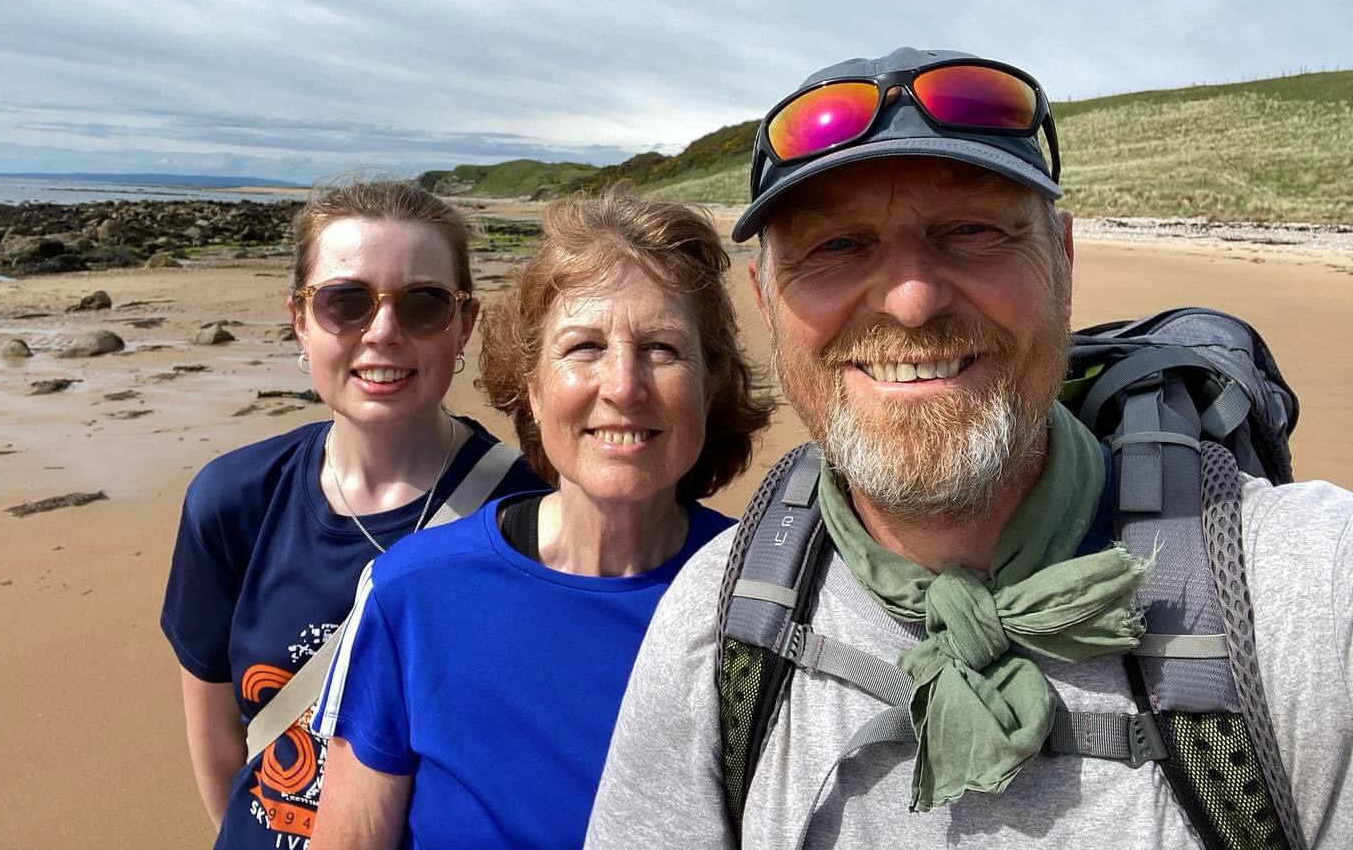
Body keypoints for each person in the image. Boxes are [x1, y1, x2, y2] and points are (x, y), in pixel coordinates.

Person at [586, 47, 1353, 848]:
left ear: (1061, 261)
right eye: (837, 245)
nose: (912, 301)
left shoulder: (1310, 596)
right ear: (765, 300)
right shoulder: (717, 630)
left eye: (971, 230)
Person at [306, 187, 774, 848]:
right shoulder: (411, 593)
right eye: (584, 347)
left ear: (710, 383)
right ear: (532, 387)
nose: (623, 385)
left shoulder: (766, 602)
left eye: (662, 348)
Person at [161, 179, 544, 849]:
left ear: (464, 323)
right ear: (300, 319)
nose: (384, 331)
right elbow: (216, 733)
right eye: (346, 302)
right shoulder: (232, 500)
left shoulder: (529, 513)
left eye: (424, 304)